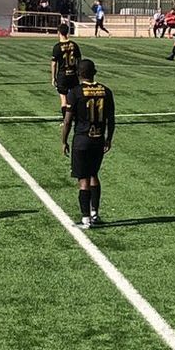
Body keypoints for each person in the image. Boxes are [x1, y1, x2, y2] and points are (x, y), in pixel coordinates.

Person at [61, 59, 115, 229]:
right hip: (98, 139)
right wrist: (109, 138)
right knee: (94, 175)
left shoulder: (76, 92)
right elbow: (111, 119)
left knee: (83, 178)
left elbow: (68, 120)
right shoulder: (106, 91)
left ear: (79, 73)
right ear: (95, 72)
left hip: (82, 139)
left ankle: (85, 219)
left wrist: (64, 140)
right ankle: (95, 213)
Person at [50, 22, 82, 117]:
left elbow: (54, 63)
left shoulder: (57, 47)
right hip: (73, 75)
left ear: (59, 33)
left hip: (62, 75)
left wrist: (53, 77)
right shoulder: (74, 45)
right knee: (74, 97)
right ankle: (77, 117)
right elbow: (79, 60)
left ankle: (65, 120)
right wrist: (78, 73)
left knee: (63, 98)